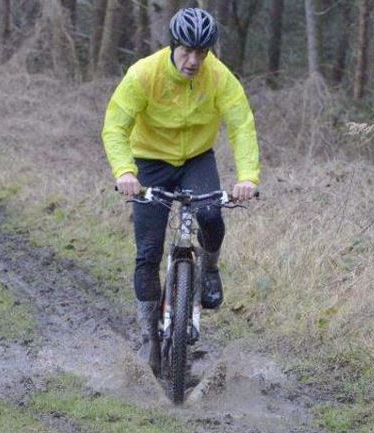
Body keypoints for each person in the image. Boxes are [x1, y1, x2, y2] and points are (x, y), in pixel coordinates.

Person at [102, 7, 260, 375]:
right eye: (187, 51)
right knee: (148, 253)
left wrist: (248, 177)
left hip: (196, 159)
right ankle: (149, 337)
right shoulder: (144, 74)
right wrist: (125, 172)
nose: (193, 61)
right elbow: (115, 127)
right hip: (150, 162)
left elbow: (241, 126)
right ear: (173, 46)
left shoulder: (219, 77)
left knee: (210, 214)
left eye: (201, 53)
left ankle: (209, 269)